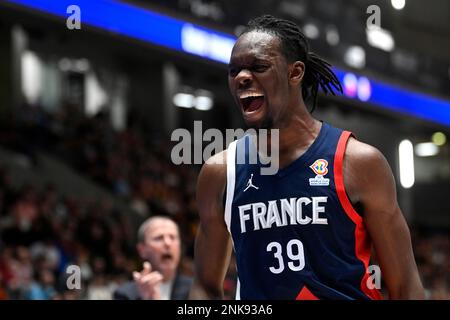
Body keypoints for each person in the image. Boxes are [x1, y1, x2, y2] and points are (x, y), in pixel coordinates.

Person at [191, 15, 424, 300]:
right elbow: (204, 287)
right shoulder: (220, 172)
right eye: (233, 71)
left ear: (295, 73)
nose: (241, 78)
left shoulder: (360, 163)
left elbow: (406, 286)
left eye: (259, 66)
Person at [114, 216, 192, 300]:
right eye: (159, 238)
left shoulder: (197, 289)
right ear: (142, 250)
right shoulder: (125, 294)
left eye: (172, 237)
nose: (168, 243)